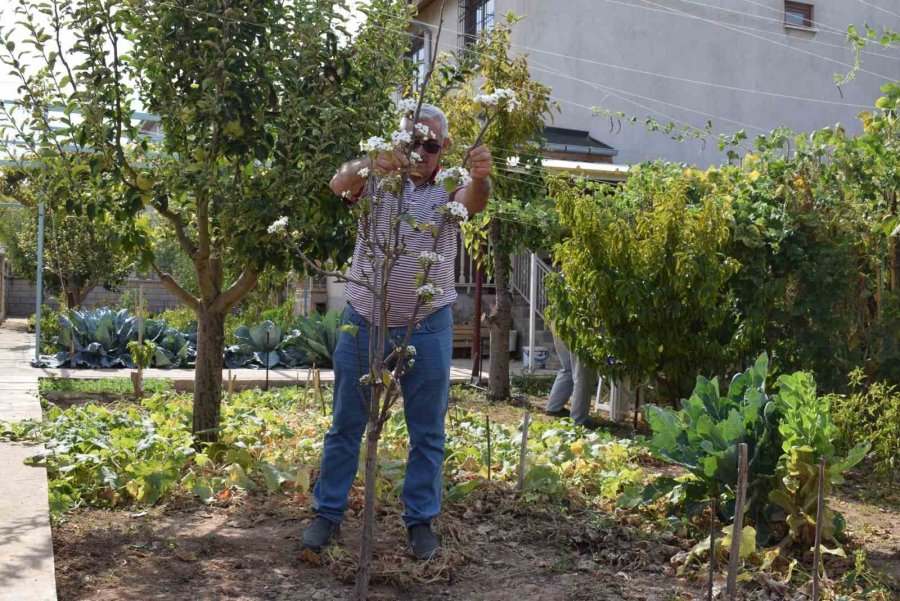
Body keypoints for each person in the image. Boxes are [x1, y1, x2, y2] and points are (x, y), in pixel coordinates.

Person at [301, 104, 493, 560]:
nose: (421, 153)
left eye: (431, 145)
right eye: (414, 143)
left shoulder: (450, 189)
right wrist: (372, 161)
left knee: (427, 431)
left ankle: (420, 522)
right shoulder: (378, 183)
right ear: (400, 141)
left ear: (444, 149)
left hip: (427, 327)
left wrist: (482, 178)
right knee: (346, 425)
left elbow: (474, 201)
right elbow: (337, 183)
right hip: (364, 320)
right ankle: (327, 515)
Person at [544, 332, 595, 426]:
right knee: (582, 374)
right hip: (581, 326)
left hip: (559, 321)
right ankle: (579, 419)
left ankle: (554, 407)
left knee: (568, 367)